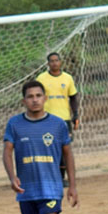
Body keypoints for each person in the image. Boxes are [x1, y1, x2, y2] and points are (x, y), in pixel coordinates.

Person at [3, 80, 79, 214]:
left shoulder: (57, 125)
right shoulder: (15, 125)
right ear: (23, 100)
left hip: (51, 189)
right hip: (27, 191)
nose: (35, 99)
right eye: (30, 96)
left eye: (38, 95)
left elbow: (68, 155)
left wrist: (72, 185)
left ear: (45, 98)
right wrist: (11, 176)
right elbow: (7, 152)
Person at [37, 52, 80, 181]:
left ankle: (62, 179)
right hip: (47, 120)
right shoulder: (41, 79)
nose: (54, 63)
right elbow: (36, 97)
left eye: (57, 60)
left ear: (60, 62)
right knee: (48, 148)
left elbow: (73, 97)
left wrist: (75, 115)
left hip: (64, 120)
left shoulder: (67, 78)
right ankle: (50, 177)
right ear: (48, 64)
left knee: (64, 149)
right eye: (52, 61)